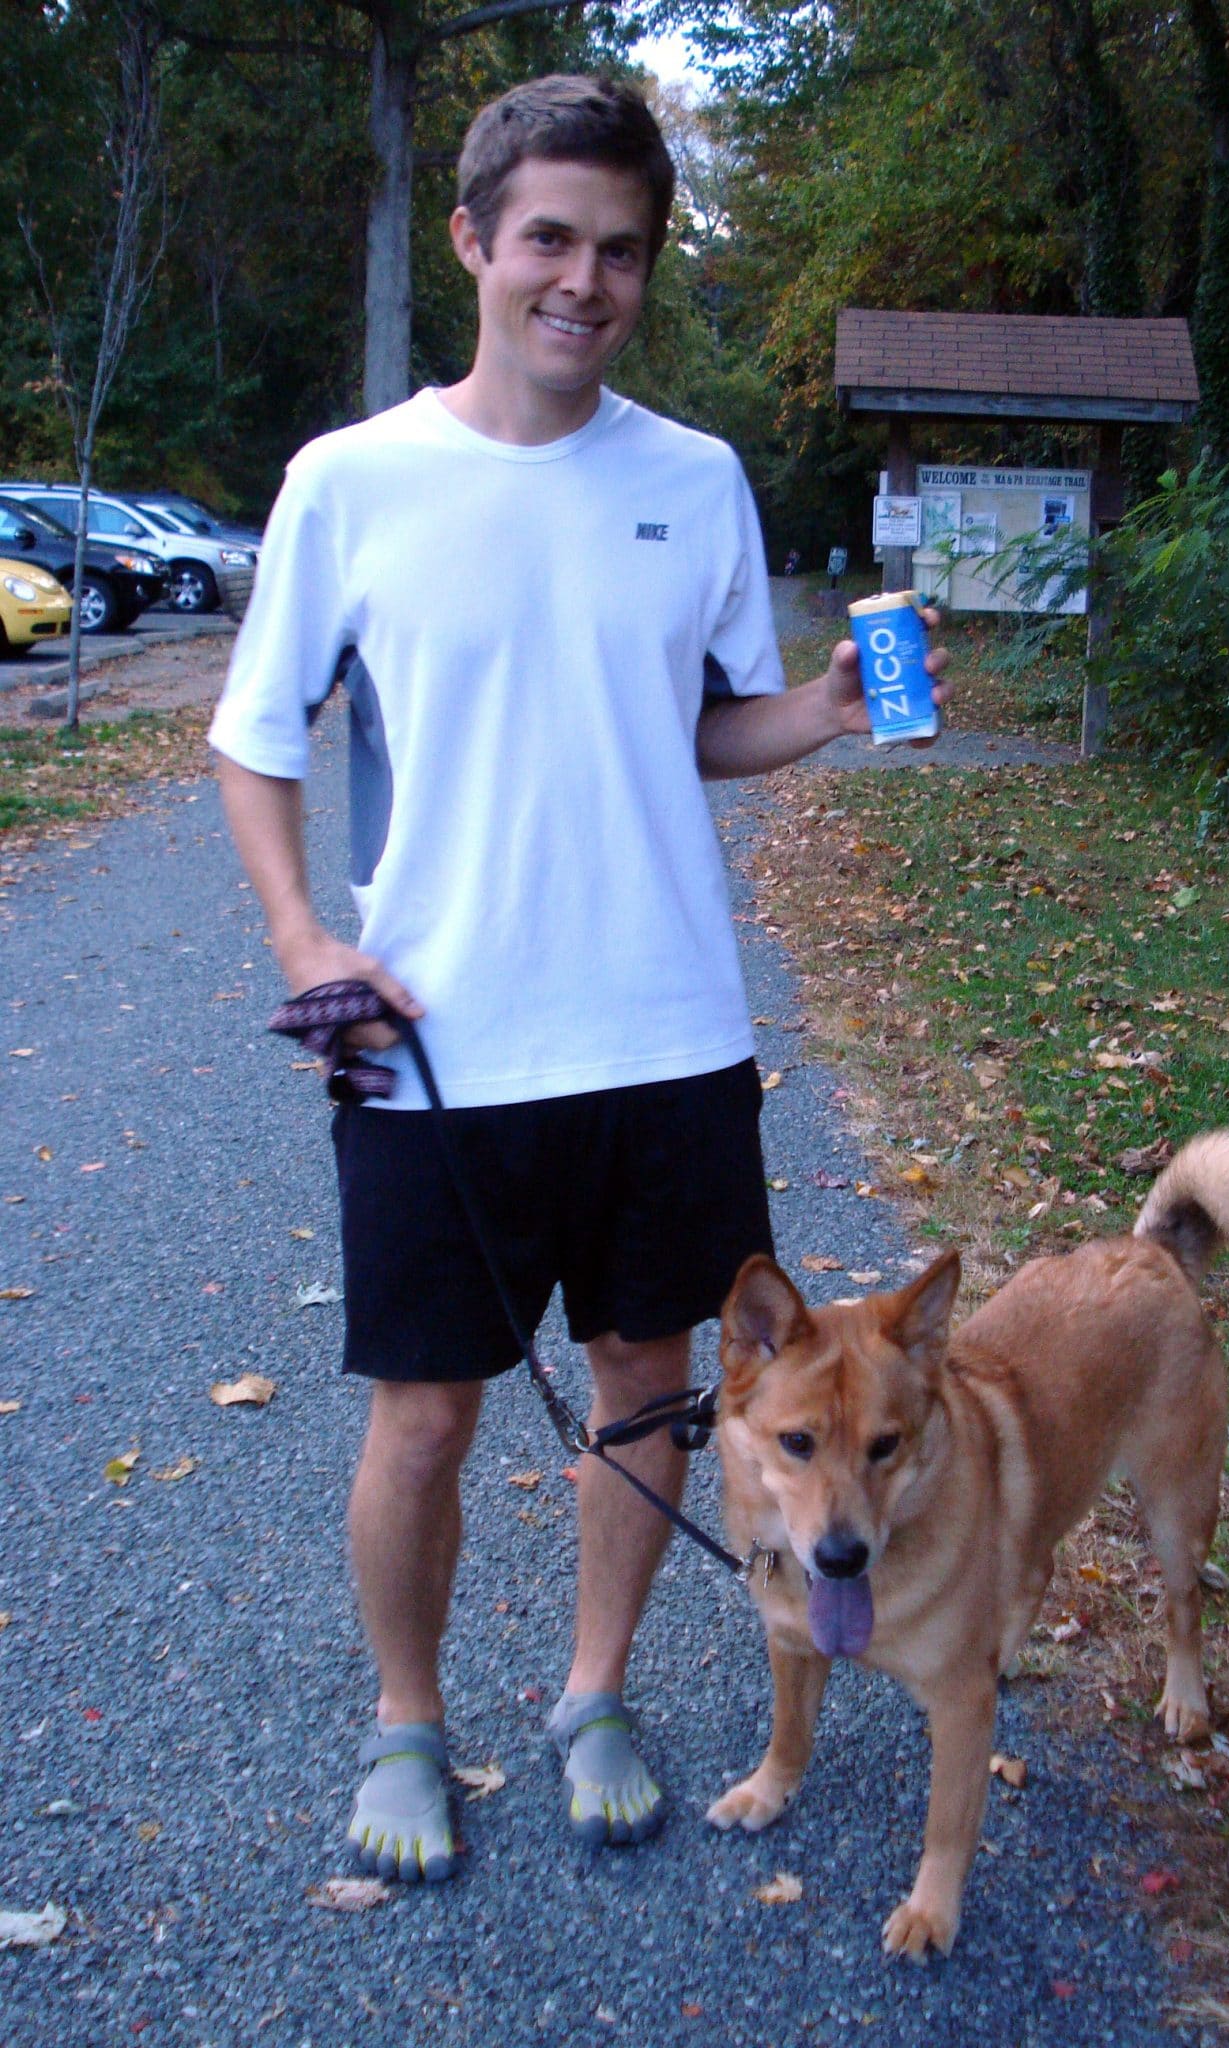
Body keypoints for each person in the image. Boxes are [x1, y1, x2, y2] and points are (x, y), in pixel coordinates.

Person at [210, 73, 949, 1883]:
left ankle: (593, 1689)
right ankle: (407, 1723)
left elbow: (702, 726)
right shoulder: (353, 481)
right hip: (435, 1050)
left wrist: (827, 713)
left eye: (619, 250)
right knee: (427, 1413)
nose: (581, 280)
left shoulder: (693, 480)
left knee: (647, 1396)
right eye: (547, 236)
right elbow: (253, 739)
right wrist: (314, 945)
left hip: (671, 1037)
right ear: (475, 240)